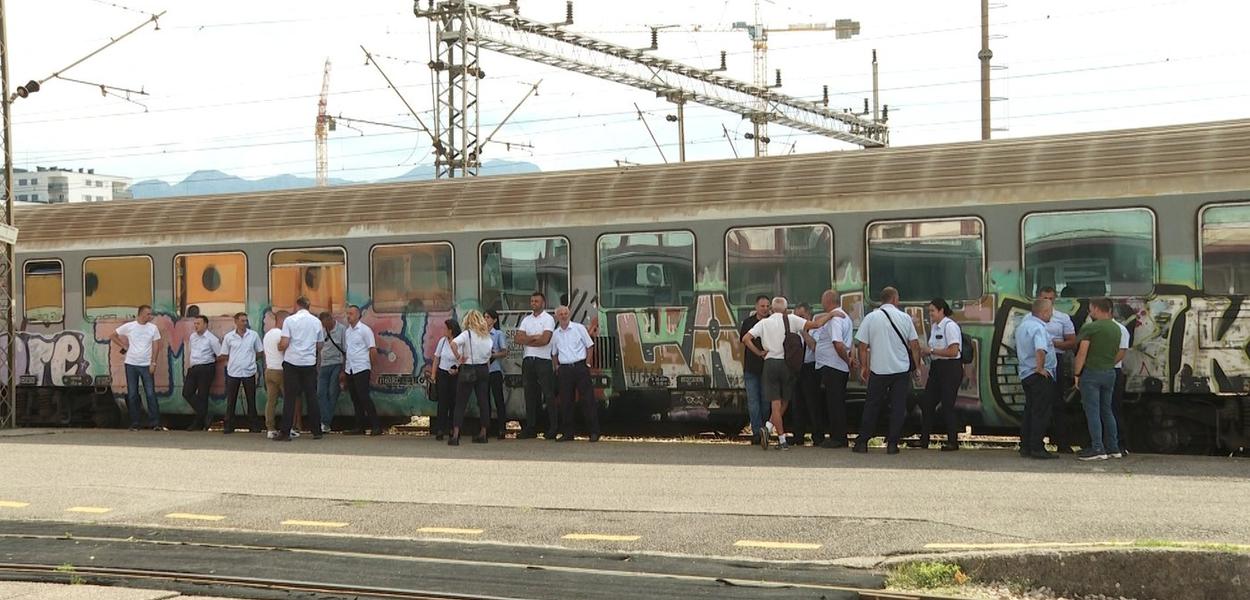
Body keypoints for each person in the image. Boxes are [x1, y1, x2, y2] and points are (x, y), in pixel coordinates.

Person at [742, 297, 836, 450]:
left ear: (771, 309)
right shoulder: (791, 319)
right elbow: (817, 324)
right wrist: (831, 315)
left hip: (770, 363)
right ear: (786, 310)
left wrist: (759, 352)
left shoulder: (764, 323)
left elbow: (746, 339)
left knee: (775, 403)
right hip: (787, 364)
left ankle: (779, 438)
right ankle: (769, 428)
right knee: (785, 400)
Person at [853, 287, 922, 454]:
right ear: (894, 299)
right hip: (900, 370)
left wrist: (864, 366)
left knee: (872, 406)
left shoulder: (871, 318)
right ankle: (892, 444)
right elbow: (915, 345)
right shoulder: (905, 318)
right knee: (898, 407)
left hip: (879, 369)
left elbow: (862, 346)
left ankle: (862, 442)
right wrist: (917, 367)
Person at [1072, 297, 1123, 461]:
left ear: (1095, 308)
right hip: (1110, 373)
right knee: (1107, 410)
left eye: (1090, 308)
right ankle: (1114, 447)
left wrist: (1077, 374)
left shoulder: (1090, 328)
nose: (1090, 311)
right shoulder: (1117, 329)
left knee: (1092, 411)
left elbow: (1082, 353)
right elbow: (1117, 353)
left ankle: (1097, 448)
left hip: (1092, 374)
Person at [914, 299, 963, 451]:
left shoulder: (950, 326)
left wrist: (932, 351)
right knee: (927, 403)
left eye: (932, 311)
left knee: (948, 405)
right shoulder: (935, 327)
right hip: (937, 368)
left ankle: (953, 441)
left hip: (950, 368)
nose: (930, 314)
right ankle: (924, 440)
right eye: (929, 311)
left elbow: (954, 351)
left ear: (942, 310)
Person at [275, 297, 325, 442]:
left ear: (297, 306)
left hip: (292, 363)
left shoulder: (289, 321)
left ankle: (285, 432)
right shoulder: (316, 322)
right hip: (309, 364)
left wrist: (279, 347)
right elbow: (320, 345)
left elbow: (284, 343)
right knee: (312, 397)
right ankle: (316, 431)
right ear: (308, 307)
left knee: (290, 398)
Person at [1015, 298, 1059, 459]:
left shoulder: (1023, 326)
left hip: (1026, 374)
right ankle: (1037, 448)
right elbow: (1040, 349)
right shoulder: (1038, 328)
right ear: (1044, 312)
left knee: (1030, 411)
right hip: (1038, 375)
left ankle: (1025, 446)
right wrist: (1040, 368)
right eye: (1050, 313)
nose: (1051, 316)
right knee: (1041, 412)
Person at [110, 304, 165, 431]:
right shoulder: (130, 326)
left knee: (150, 394)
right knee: (133, 394)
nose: (150, 316)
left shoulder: (153, 328)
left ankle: (155, 422)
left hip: (146, 364)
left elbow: (156, 346)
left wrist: (153, 363)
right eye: (148, 314)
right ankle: (135, 422)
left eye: (151, 314)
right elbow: (112, 335)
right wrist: (123, 346)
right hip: (131, 364)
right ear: (140, 314)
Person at [1037, 286, 1077, 453]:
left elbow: (1072, 342)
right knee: (1039, 403)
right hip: (1038, 361)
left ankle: (1063, 442)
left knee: (1058, 403)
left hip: (1057, 361)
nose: (1048, 301)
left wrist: (1053, 343)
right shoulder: (1029, 319)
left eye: (1051, 298)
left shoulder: (1063, 318)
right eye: (1045, 298)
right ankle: (1036, 443)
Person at [551, 305, 599, 442]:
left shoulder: (579, 328)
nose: (564, 316)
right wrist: (557, 368)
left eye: (566, 313)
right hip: (565, 369)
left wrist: (587, 364)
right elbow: (554, 353)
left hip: (580, 366)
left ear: (569, 314)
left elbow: (589, 346)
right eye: (561, 314)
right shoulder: (556, 334)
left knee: (588, 400)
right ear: (557, 317)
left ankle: (594, 432)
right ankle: (568, 433)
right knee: (566, 402)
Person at [813, 290, 853, 448]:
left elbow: (837, 343)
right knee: (835, 402)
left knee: (834, 403)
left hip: (833, 366)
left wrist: (847, 361)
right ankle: (838, 436)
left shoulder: (836, 318)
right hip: (834, 366)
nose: (822, 303)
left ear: (829, 301)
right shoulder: (842, 316)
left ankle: (838, 438)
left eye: (823, 300)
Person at [515, 291, 556, 439]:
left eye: (536, 301)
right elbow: (517, 339)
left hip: (543, 360)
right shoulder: (526, 319)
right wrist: (533, 338)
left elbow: (545, 340)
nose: (533, 303)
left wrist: (527, 339)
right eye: (532, 301)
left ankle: (553, 427)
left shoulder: (548, 319)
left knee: (548, 394)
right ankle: (531, 427)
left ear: (543, 303)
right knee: (529, 394)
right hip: (528, 360)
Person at [449, 310, 494, 445]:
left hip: (469, 369)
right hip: (483, 370)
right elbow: (489, 355)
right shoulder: (486, 336)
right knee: (483, 402)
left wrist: (458, 357)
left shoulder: (467, 334)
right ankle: (483, 433)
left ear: (468, 321)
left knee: (461, 403)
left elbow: (453, 344)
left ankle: (456, 435)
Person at [218, 312, 263, 434]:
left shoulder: (253, 335)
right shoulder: (229, 337)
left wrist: (251, 360)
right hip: (233, 372)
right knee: (231, 399)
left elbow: (259, 352)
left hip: (249, 371)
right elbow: (225, 354)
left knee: (251, 399)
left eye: (246, 321)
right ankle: (229, 425)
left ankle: (253, 425)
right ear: (236, 321)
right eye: (242, 320)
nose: (244, 323)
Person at [342, 304, 382, 436]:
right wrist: (345, 369)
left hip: (362, 368)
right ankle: (359, 426)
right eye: (347, 314)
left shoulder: (365, 330)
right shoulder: (347, 332)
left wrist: (372, 366)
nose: (349, 316)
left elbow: (372, 349)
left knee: (364, 397)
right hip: (350, 368)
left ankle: (376, 426)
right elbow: (348, 351)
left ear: (358, 315)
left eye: (351, 314)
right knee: (355, 398)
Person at [738, 295, 772, 445]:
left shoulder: (772, 322)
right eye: (762, 306)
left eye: (767, 306)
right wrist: (758, 352)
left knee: (766, 403)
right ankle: (757, 433)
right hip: (751, 368)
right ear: (756, 307)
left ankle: (764, 430)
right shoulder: (748, 322)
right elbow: (745, 341)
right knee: (753, 402)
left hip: (768, 369)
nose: (765, 309)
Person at [790, 302, 824, 446]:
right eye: (796, 317)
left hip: (810, 367)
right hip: (797, 367)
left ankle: (818, 435)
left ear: (809, 316)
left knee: (813, 403)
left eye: (802, 316)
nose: (799, 320)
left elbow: (814, 346)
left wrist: (803, 330)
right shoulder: (793, 329)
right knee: (797, 403)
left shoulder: (815, 328)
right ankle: (798, 435)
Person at [182, 315, 221, 431]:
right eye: (195, 324)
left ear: (205, 325)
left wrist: (210, 361)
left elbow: (220, 354)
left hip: (206, 368)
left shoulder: (212, 339)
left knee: (202, 395)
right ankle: (205, 414)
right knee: (187, 392)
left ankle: (198, 423)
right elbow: (191, 351)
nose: (196, 326)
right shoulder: (193, 337)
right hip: (194, 367)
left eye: (198, 324)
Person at [430, 319, 461, 440]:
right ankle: (440, 429)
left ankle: (453, 429)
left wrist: (457, 370)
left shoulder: (459, 342)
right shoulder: (442, 341)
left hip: (455, 374)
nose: (443, 331)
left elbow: (462, 359)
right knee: (442, 402)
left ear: (451, 330)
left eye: (445, 329)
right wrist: (433, 375)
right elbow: (436, 358)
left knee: (453, 402)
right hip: (442, 373)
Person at [316, 312, 347, 434]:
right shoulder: (321, 330)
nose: (325, 327)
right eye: (323, 325)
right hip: (324, 365)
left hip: (337, 364)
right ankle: (326, 421)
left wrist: (343, 370)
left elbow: (345, 350)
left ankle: (325, 422)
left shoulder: (342, 330)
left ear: (330, 319)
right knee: (320, 393)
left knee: (332, 392)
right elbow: (318, 349)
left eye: (326, 324)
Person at [262, 310, 288, 439]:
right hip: (281, 371)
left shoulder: (267, 335)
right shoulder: (281, 334)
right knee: (289, 400)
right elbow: (283, 348)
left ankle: (270, 429)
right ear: (282, 320)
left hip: (269, 370)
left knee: (271, 401)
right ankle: (287, 428)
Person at [485, 309, 510, 439]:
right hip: (483, 370)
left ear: (494, 320)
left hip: (495, 370)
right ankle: (486, 428)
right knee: (484, 401)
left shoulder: (498, 334)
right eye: (484, 317)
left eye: (488, 317)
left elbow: (505, 352)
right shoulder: (481, 334)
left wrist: (493, 355)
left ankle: (502, 428)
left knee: (498, 399)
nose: (486, 320)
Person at [1112, 318, 1131, 454]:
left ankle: (1118, 443)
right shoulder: (1121, 328)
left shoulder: (1119, 329)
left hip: (1111, 370)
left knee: (1112, 408)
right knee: (1112, 409)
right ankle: (1117, 444)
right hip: (1112, 370)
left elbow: (1121, 351)